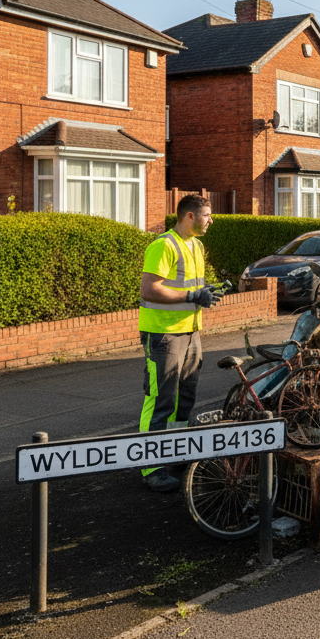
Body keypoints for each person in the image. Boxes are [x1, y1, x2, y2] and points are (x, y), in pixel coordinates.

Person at [137, 194, 222, 492]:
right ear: (189, 216)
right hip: (163, 334)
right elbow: (150, 289)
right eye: (207, 215)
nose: (211, 220)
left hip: (190, 332)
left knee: (185, 398)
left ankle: (176, 452)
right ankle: (152, 466)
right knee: (160, 399)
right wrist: (190, 296)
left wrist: (205, 293)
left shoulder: (196, 245)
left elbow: (190, 288)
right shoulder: (163, 245)